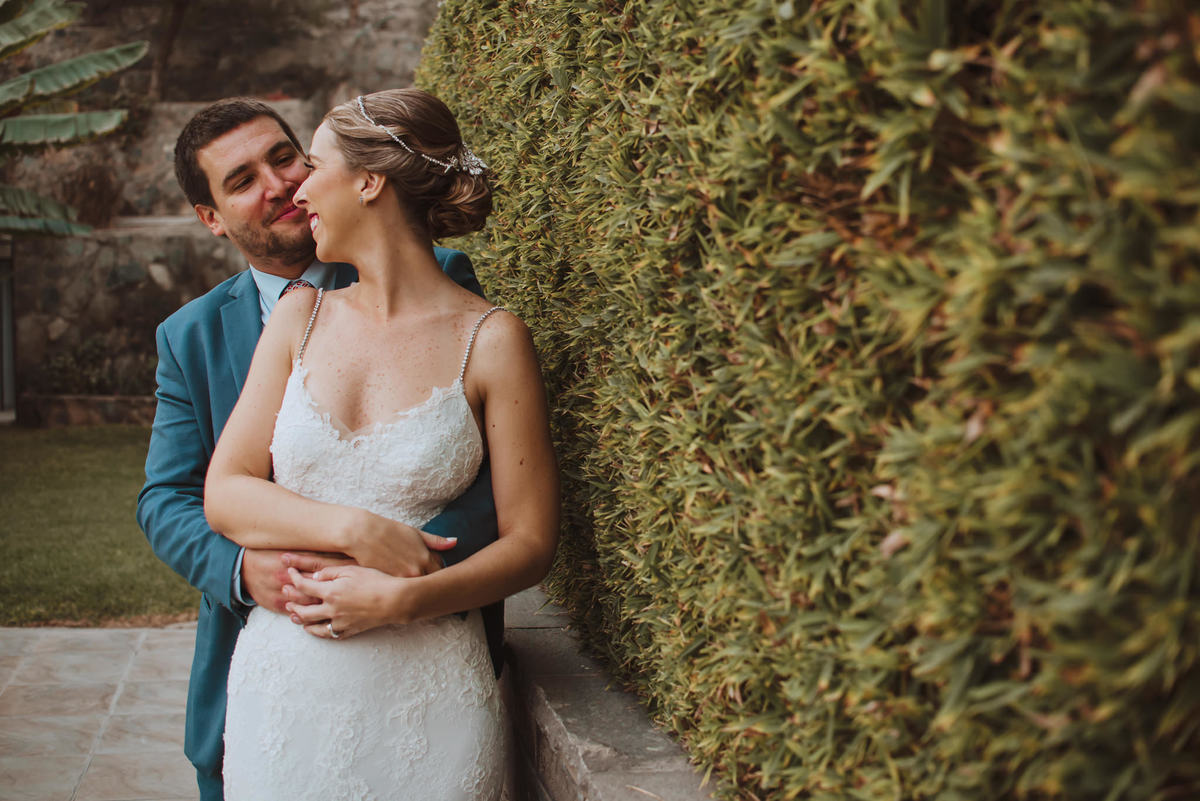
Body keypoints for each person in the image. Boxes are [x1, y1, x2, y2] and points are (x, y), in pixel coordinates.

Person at [136, 97, 501, 801]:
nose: (278, 185)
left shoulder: (443, 279)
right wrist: (248, 570)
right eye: (242, 180)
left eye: (284, 157)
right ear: (212, 218)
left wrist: (408, 571)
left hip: (419, 657)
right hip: (271, 666)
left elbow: (479, 462)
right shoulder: (190, 335)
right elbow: (168, 497)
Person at [202, 88, 559, 799]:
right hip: (284, 695)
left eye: (313, 167)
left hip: (432, 699)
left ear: (369, 181)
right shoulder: (299, 317)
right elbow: (226, 491)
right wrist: (357, 530)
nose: (299, 190)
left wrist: (404, 602)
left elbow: (531, 542)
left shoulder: (492, 340)